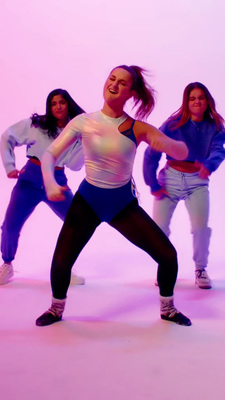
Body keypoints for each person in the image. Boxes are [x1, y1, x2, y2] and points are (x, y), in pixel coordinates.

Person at [35, 65, 192, 328]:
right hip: (87, 202)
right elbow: (49, 155)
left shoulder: (137, 128)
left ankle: (168, 309)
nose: (114, 84)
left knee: (168, 255)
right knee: (61, 260)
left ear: (131, 92)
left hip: (122, 205)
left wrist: (174, 145)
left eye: (122, 82)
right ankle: (55, 309)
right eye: (111, 78)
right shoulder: (84, 121)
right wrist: (50, 182)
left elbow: (179, 151)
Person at [143, 82, 225, 289]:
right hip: (170, 178)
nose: (197, 101)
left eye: (201, 98)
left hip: (197, 181)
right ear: (186, 102)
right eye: (192, 98)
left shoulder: (215, 126)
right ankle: (164, 266)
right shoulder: (172, 125)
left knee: (200, 227)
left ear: (207, 101)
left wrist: (209, 165)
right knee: (159, 228)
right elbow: (152, 152)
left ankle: (200, 268)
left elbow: (218, 150)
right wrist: (152, 182)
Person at [0, 89, 86, 285]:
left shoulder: (76, 131)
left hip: (57, 182)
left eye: (62, 102)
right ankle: (7, 264)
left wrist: (84, 143)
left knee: (77, 223)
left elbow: (74, 165)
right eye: (53, 103)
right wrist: (9, 166)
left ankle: (65, 268)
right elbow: (7, 137)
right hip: (29, 180)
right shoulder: (36, 125)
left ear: (68, 104)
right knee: (10, 226)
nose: (58, 107)